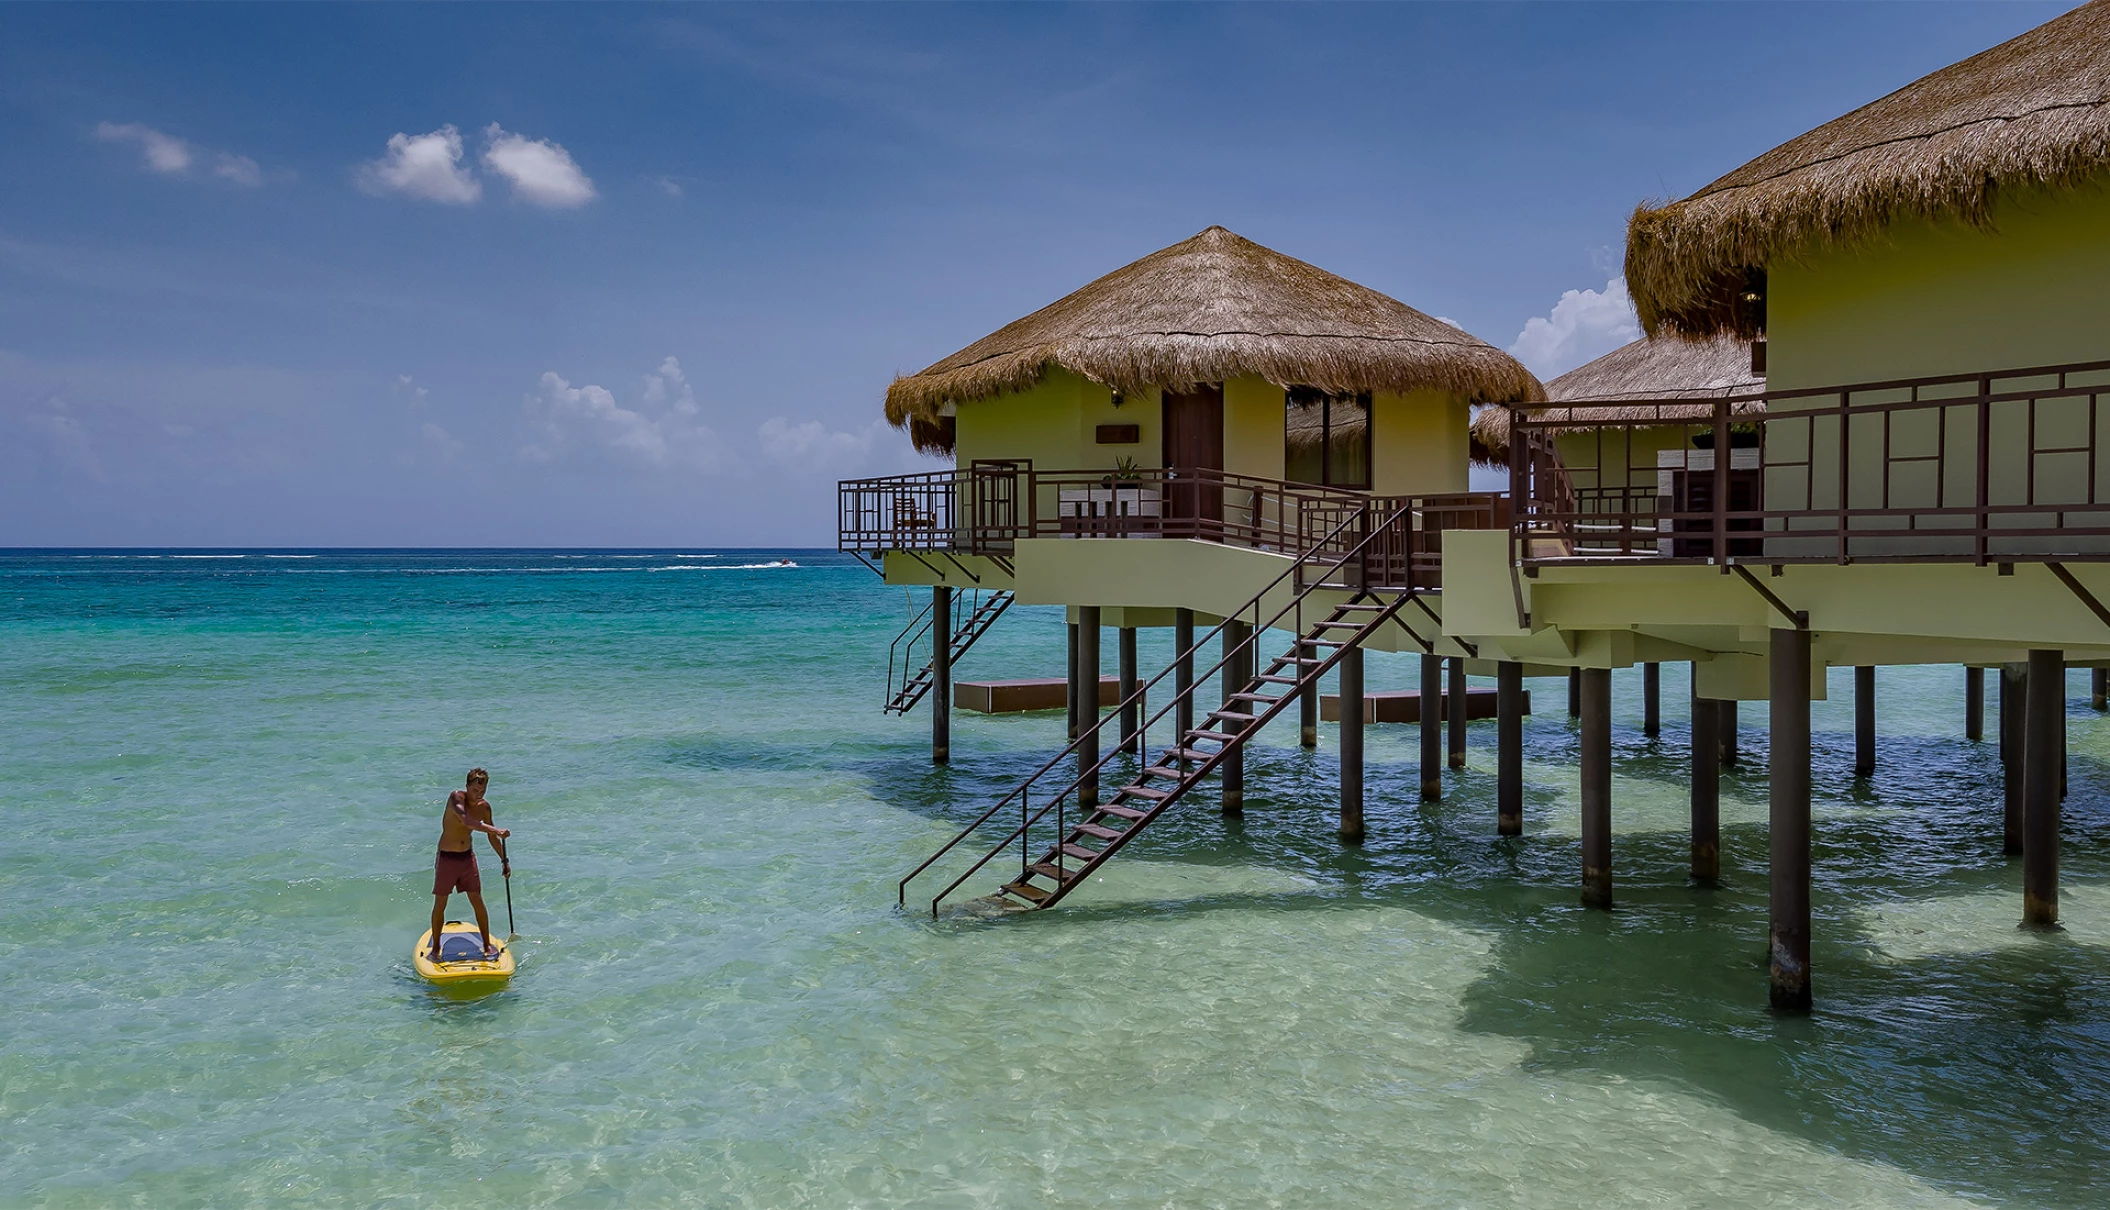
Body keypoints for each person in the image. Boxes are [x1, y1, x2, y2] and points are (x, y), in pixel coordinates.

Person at [430, 767, 511, 961]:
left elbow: (492, 837)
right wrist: (496, 829)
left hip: (467, 857)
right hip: (447, 858)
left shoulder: (484, 807)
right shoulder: (456, 798)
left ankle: (486, 945)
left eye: (482, 791)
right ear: (467, 787)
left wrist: (504, 860)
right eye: (475, 790)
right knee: (441, 902)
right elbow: (467, 822)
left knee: (477, 899)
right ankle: (435, 949)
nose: (478, 794)